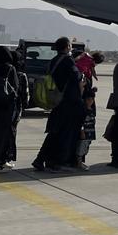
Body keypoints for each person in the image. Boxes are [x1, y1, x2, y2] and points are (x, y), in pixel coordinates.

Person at [33, 37, 84, 172]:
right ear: (67, 46)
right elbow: (76, 76)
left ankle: (41, 159)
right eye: (70, 46)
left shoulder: (53, 61)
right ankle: (56, 162)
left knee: (54, 132)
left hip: (56, 100)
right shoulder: (67, 60)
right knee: (64, 133)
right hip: (68, 101)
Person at [77, 88, 97, 170]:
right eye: (88, 99)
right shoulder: (83, 110)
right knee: (81, 148)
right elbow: (81, 122)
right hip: (84, 132)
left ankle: (80, 162)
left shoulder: (91, 110)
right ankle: (79, 162)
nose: (91, 101)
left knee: (86, 148)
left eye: (92, 99)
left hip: (90, 132)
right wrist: (82, 131)